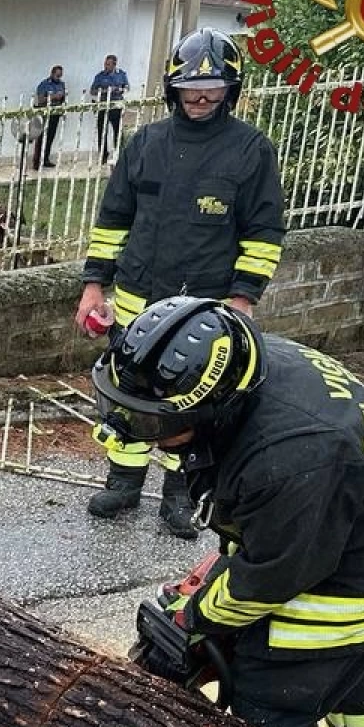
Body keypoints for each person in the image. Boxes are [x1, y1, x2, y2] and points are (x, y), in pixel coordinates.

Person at [92, 296, 364, 727]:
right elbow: (261, 531)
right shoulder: (249, 370)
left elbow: (267, 578)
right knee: (349, 662)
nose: (142, 433)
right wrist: (201, 588)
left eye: (153, 424)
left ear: (214, 410)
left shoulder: (290, 458)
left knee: (267, 691)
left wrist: (196, 619)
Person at [75, 28, 285, 538]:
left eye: (213, 89)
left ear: (230, 91)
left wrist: (242, 298)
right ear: (174, 89)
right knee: (127, 392)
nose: (201, 98)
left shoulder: (251, 151)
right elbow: (112, 220)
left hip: (204, 309)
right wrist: (93, 285)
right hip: (136, 300)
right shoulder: (146, 144)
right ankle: (123, 482)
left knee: (190, 403)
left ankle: (179, 494)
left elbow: (264, 232)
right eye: (192, 89)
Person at [89, 54, 130, 163]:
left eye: (108, 64)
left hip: (116, 106)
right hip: (103, 106)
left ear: (114, 65)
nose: (106, 66)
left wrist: (119, 89)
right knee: (102, 131)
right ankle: (103, 155)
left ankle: (118, 153)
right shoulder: (100, 76)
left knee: (118, 131)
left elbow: (127, 87)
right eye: (105, 64)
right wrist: (104, 91)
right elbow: (92, 91)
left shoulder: (121, 74)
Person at [32, 65, 67, 168]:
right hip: (45, 113)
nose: (58, 78)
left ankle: (45, 159)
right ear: (52, 74)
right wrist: (53, 96)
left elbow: (63, 97)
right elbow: (41, 99)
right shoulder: (44, 84)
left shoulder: (61, 84)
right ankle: (37, 161)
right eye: (57, 75)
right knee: (42, 137)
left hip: (55, 113)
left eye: (60, 76)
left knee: (50, 137)